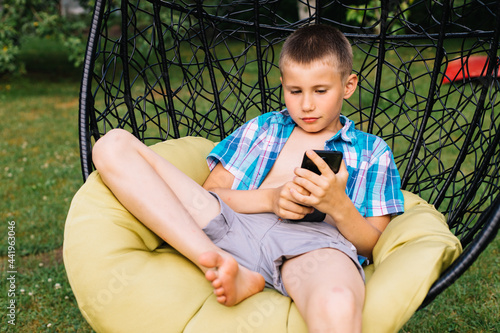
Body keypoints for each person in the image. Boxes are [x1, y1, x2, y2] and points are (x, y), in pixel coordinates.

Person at [92, 24, 404, 332]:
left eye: (320, 91)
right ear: (283, 84)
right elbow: (210, 195)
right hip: (230, 227)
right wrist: (269, 198)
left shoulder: (371, 152)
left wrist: (339, 206)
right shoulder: (264, 128)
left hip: (312, 247)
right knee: (113, 145)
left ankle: (233, 269)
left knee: (337, 301)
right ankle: (217, 264)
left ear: (348, 86)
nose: (306, 105)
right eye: (294, 91)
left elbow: (372, 244)